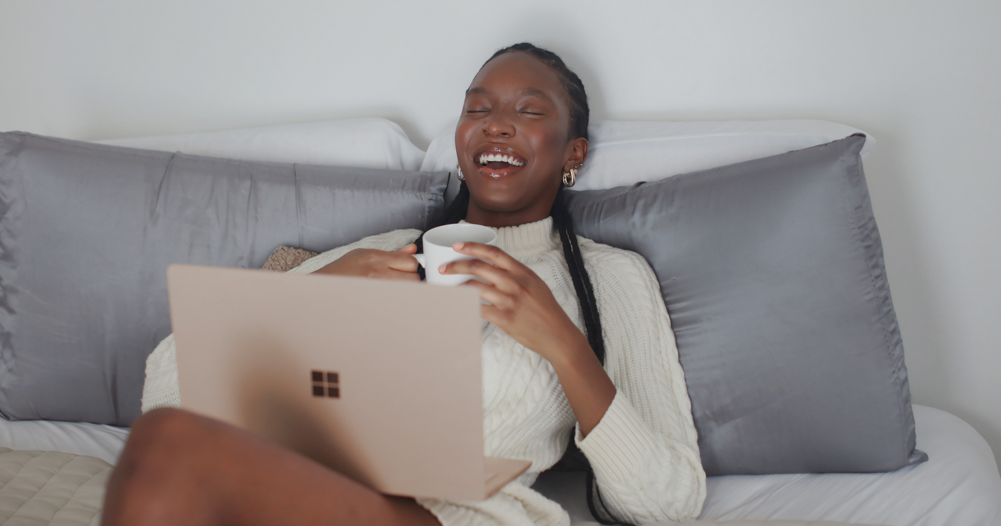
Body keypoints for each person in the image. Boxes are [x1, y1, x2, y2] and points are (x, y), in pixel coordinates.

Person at [104, 43, 706, 526]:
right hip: (300, 493)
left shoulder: (609, 279)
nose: (496, 127)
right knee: (166, 443)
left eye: (528, 111)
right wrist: (319, 295)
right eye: (477, 110)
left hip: (444, 518)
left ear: (572, 154)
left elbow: (669, 504)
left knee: (170, 451)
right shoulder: (382, 254)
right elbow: (168, 386)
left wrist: (563, 344)